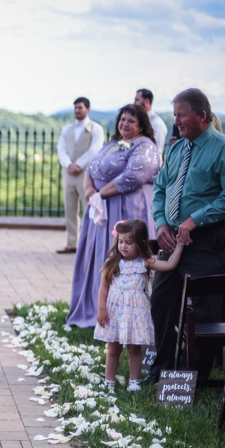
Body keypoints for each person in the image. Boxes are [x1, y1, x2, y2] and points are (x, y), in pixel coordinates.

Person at [148, 88, 225, 382]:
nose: (176, 120)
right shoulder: (178, 148)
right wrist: (161, 223)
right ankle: (162, 368)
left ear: (201, 116)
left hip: (210, 238)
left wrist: (194, 220)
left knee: (205, 307)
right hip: (173, 237)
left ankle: (195, 376)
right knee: (162, 300)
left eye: (181, 114)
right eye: (175, 114)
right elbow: (161, 189)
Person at [66, 104, 161, 328]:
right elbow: (90, 168)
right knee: (102, 257)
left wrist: (100, 193)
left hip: (128, 209)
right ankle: (97, 307)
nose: (124, 124)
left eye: (131, 121)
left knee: (124, 257)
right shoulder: (112, 143)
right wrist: (90, 192)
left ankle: (127, 314)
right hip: (102, 208)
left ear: (141, 126)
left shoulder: (145, 146)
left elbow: (132, 177)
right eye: (123, 119)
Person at [95, 219, 184, 387]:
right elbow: (103, 287)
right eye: (120, 241)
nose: (123, 246)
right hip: (114, 312)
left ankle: (134, 382)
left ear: (141, 243)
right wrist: (101, 309)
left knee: (134, 348)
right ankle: (109, 381)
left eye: (129, 243)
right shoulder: (112, 262)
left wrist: (179, 245)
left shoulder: (145, 262)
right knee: (113, 348)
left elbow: (170, 264)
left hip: (134, 313)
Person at [57, 98, 105, 253]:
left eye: (80, 108)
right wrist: (68, 164)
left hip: (87, 174)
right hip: (68, 173)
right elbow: (61, 149)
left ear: (88, 109)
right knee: (70, 209)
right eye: (75, 108)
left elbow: (95, 149)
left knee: (89, 209)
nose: (77, 110)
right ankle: (72, 244)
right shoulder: (66, 129)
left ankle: (90, 245)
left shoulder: (96, 128)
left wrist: (79, 164)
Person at [134, 89, 168, 157]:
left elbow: (156, 151)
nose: (134, 103)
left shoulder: (157, 123)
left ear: (146, 101)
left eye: (137, 100)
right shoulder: (139, 121)